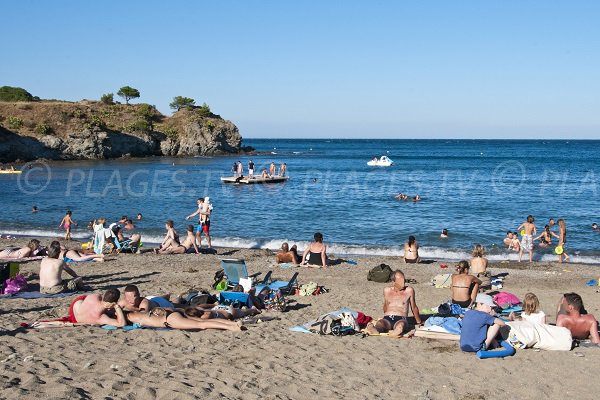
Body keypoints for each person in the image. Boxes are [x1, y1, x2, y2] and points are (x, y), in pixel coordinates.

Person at [365, 270, 422, 337]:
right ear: (393, 282)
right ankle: (374, 329)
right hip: (387, 318)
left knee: (400, 326)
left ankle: (397, 331)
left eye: (403, 280)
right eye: (400, 281)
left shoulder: (409, 290)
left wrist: (419, 321)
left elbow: (414, 307)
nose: (403, 283)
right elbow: (385, 307)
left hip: (401, 318)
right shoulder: (387, 290)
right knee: (380, 324)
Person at [124, 308, 245, 332]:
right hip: (172, 313)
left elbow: (121, 323)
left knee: (201, 325)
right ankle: (233, 323)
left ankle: (231, 327)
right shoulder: (134, 313)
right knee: (201, 322)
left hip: (169, 320)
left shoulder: (129, 317)